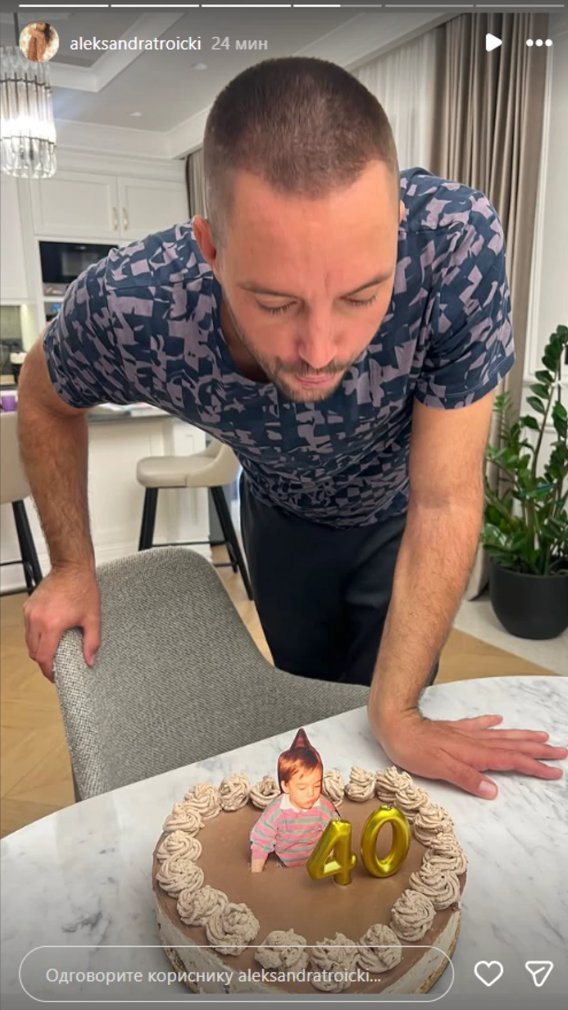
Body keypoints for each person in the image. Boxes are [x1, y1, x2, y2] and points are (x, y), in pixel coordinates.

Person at [18, 57, 566, 801]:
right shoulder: (136, 303)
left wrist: (400, 712)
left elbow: (444, 499)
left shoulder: (454, 246)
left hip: (403, 517)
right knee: (308, 723)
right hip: (278, 516)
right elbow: (43, 396)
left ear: (397, 234)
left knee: (388, 735)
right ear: (211, 250)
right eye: (276, 304)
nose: (319, 350)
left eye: (361, 296)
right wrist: (70, 564)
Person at [250, 728, 338, 871]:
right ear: (285, 786)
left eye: (317, 785)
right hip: (285, 867)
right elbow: (261, 842)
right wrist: (255, 874)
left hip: (317, 864)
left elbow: (337, 835)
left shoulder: (323, 807)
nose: (311, 793)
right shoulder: (276, 811)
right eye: (302, 787)